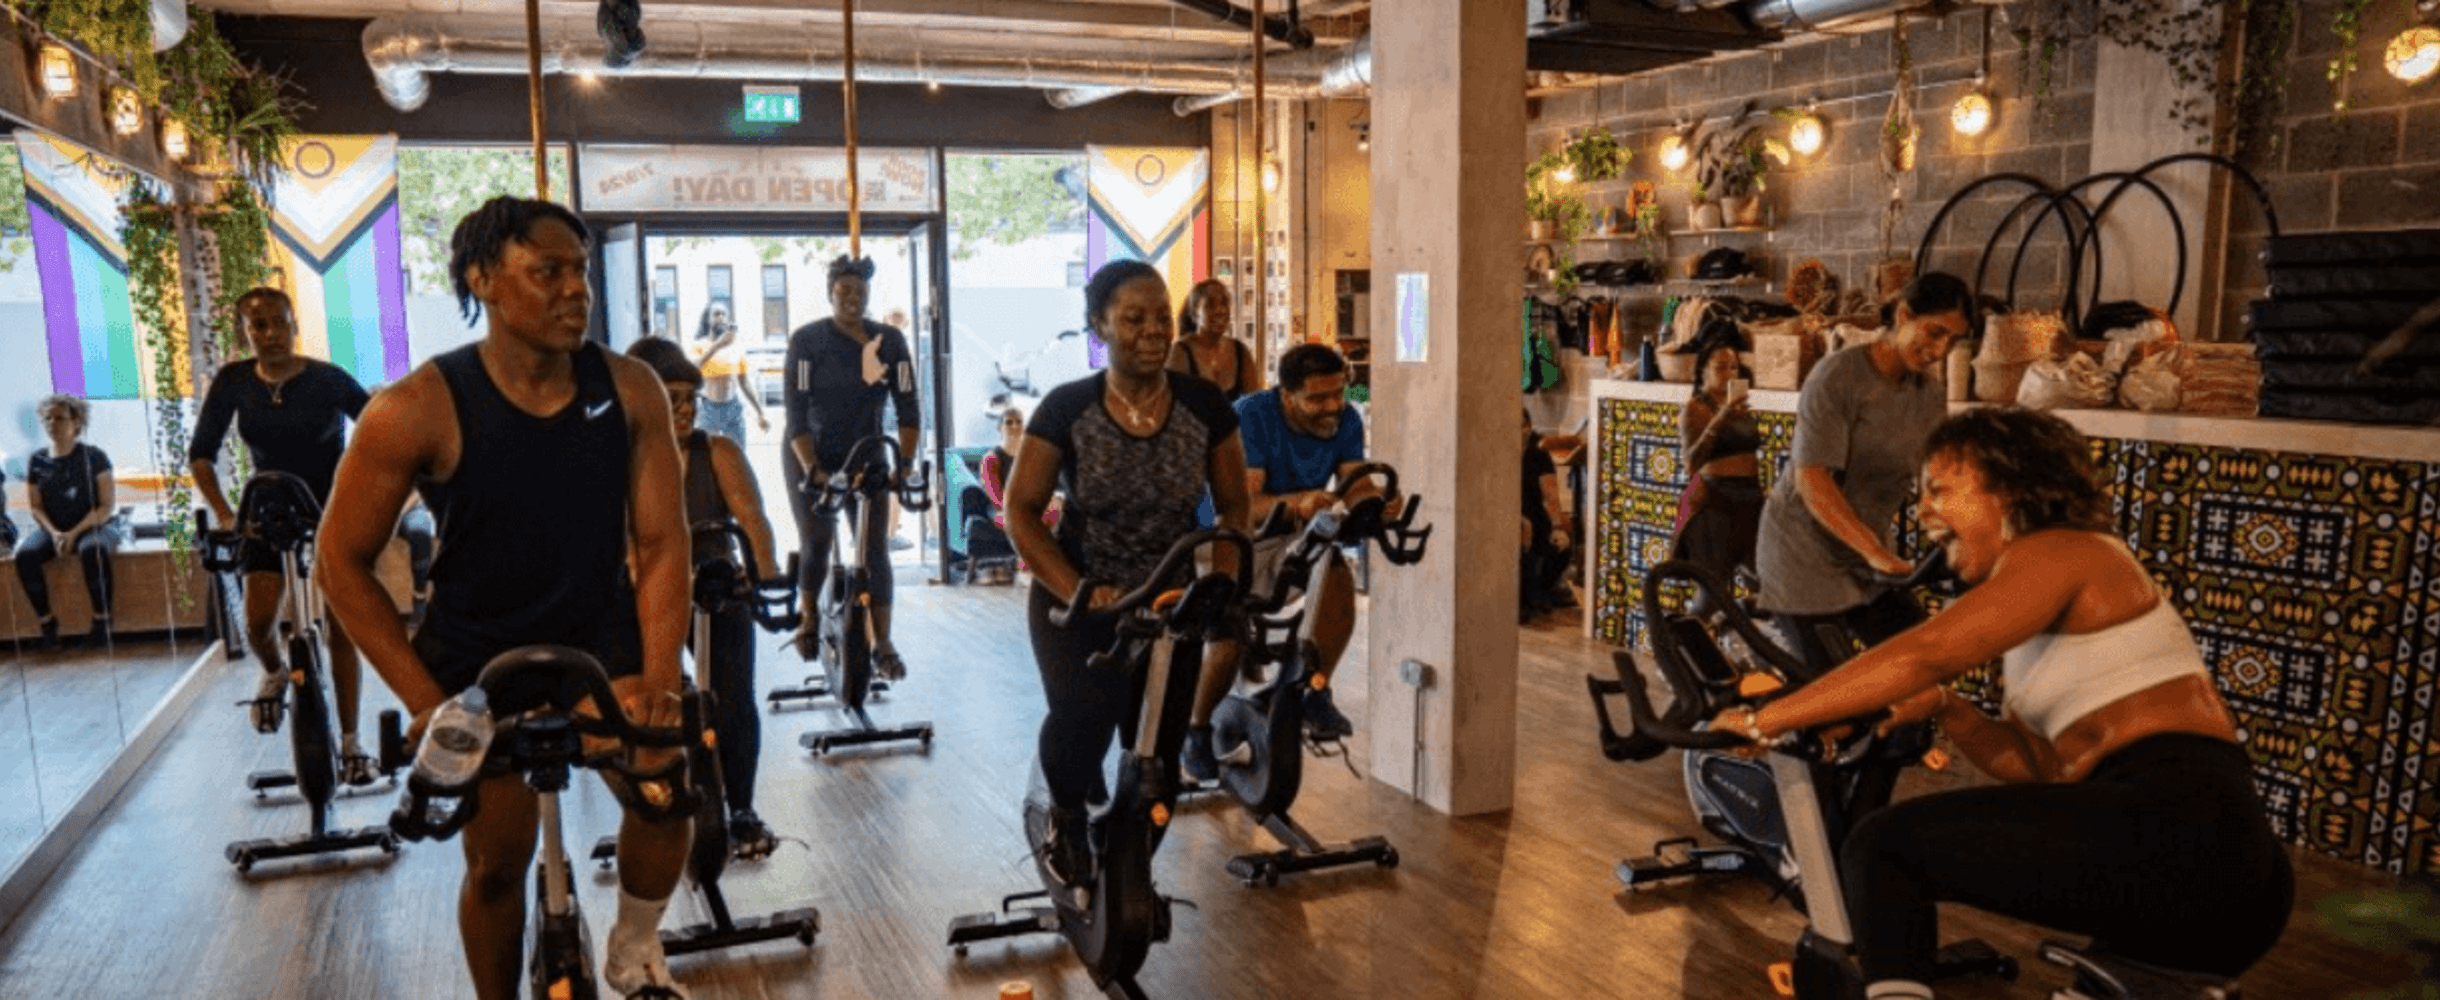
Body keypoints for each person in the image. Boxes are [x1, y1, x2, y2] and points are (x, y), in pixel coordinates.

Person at [1709, 407, 2293, 1000]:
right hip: (2215, 873)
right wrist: (1947, 709)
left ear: (2010, 486)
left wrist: (1766, 718)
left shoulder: (2067, 550)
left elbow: (1928, 649)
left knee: (1885, 848)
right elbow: (2038, 768)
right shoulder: (2044, 610)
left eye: (1940, 489)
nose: (1924, 512)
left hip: (2184, 829)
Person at [315, 196, 696, 1000]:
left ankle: (631, 949)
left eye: (581, 272)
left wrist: (659, 669)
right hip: (476, 657)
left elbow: (663, 541)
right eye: (547, 272)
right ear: (483, 279)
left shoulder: (630, 390)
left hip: (601, 637)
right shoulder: (415, 406)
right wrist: (426, 704)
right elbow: (340, 563)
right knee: (497, 859)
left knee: (666, 790)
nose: (575, 292)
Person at [1000, 259, 1251, 890]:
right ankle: (1063, 819)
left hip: (1170, 601)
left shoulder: (1204, 404)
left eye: (1162, 317)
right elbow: (1021, 512)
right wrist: (1082, 591)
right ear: (1099, 327)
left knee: (1159, 756)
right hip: (1080, 597)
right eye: (1133, 318)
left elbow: (1234, 506)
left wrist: (1220, 579)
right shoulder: (1067, 408)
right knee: (1083, 721)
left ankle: (1128, 860)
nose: (1152, 331)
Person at [187, 287, 378, 776]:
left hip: (329, 507)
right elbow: (201, 454)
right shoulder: (233, 381)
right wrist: (226, 514)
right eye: (258, 326)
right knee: (256, 623)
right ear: (245, 333)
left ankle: (353, 742)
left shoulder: (327, 379)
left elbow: (378, 428)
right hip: (266, 509)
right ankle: (273, 673)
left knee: (341, 627)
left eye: (278, 323)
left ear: (295, 325)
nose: (270, 334)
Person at [1753, 272, 1973, 676]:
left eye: (1953, 341)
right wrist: (1874, 551)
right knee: (1834, 693)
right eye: (1935, 332)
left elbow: (1938, 476)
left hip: (1866, 558)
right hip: (1803, 554)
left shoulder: (1928, 395)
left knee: (1919, 669)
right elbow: (1813, 481)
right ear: (1904, 314)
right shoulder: (1837, 377)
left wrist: (1966, 535)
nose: (1941, 350)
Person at [1180, 343, 1373, 781]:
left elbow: (1354, 482)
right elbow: (1243, 504)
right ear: (1286, 395)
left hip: (1286, 534)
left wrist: (1376, 503)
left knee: (1334, 566)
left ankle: (1314, 688)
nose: (1332, 407)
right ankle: (1195, 730)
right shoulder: (1252, 415)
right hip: (1223, 538)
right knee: (1227, 636)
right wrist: (1301, 501)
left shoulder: (1345, 419)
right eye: (1317, 398)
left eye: (1338, 394)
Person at [627, 337, 783, 857]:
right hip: (651, 596)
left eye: (690, 399)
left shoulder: (717, 451)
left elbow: (754, 520)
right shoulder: (621, 462)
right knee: (661, 702)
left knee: (733, 700)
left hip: (716, 585)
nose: (686, 409)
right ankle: (662, 802)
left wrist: (766, 574)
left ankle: (741, 808)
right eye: (671, 399)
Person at [781, 256, 920, 679]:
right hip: (812, 452)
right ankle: (807, 619)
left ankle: (884, 643)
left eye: (860, 292)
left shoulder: (890, 341)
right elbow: (796, 413)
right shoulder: (807, 341)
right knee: (818, 538)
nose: (852, 299)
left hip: (869, 451)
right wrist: (813, 470)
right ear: (830, 294)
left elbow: (909, 409)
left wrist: (905, 464)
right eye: (843, 292)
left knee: (874, 549)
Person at [15, 395, 123, 651]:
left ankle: (101, 623)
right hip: (54, 529)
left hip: (94, 526)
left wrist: (73, 533)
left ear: (77, 423)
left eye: (60, 418)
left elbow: (106, 506)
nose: (53, 424)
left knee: (92, 551)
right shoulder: (37, 460)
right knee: (26, 555)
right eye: (47, 419)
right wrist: (54, 533)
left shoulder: (94, 457)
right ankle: (47, 625)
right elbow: (36, 507)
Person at [1671, 340, 1761, 617]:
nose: (1729, 373)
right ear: (1704, 371)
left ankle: (1740, 649)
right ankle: (1685, 650)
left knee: (1765, 580)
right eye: (1720, 367)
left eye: (1734, 367)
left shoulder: (1741, 408)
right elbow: (1691, 462)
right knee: (1713, 592)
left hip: (1750, 499)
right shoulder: (1696, 408)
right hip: (1715, 501)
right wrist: (1720, 417)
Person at [1520, 408, 1577, 620]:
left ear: (1527, 427)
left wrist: (1558, 526)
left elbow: (1550, 494)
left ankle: (1541, 590)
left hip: (1533, 513)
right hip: (1508, 511)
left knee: (1560, 540)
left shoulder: (1538, 451)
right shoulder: (1500, 446)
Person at [687, 302, 769, 444]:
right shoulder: (699, 345)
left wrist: (760, 412)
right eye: (716, 314)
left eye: (724, 314)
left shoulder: (736, 346)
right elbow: (693, 369)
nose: (720, 317)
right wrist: (718, 346)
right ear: (708, 319)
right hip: (708, 410)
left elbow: (744, 382)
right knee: (708, 457)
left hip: (733, 409)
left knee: (737, 456)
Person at [1167, 278, 1260, 402]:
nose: (1220, 310)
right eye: (1210, 304)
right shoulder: (1180, 353)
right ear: (1195, 312)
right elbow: (1173, 407)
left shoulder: (1240, 352)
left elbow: (1254, 403)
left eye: (1224, 303)